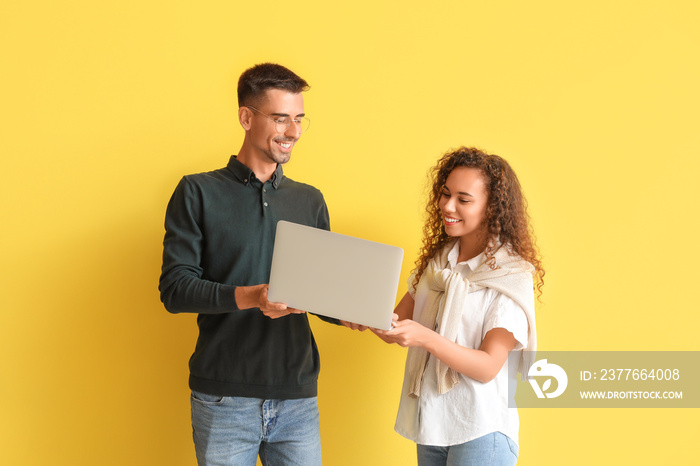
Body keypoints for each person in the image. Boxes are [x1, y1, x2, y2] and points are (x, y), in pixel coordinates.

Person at [159, 63, 345, 466]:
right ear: (246, 117)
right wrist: (255, 296)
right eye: (280, 118)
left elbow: (322, 294)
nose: (292, 132)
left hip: (297, 398)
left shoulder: (309, 200)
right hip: (224, 399)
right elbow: (175, 289)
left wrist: (362, 312)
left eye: (298, 119)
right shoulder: (197, 192)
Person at [374, 146, 544, 466]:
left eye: (463, 199)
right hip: (433, 426)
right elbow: (395, 324)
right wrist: (360, 313)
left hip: (481, 430)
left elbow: (488, 366)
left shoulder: (509, 274)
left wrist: (425, 337)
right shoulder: (437, 264)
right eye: (445, 194)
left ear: (493, 207)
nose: (448, 206)